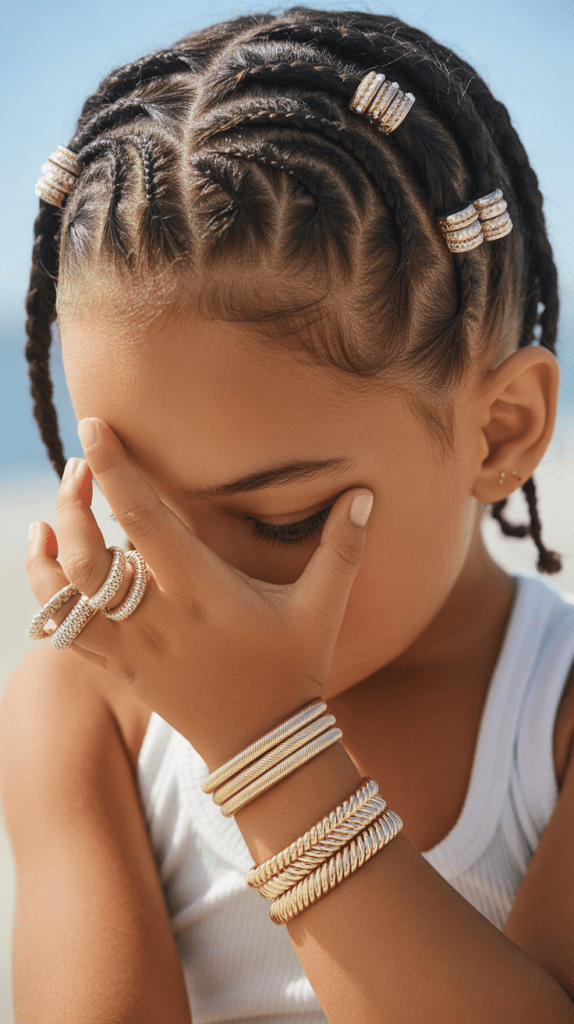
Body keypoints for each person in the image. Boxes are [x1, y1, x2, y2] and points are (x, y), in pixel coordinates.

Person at [1, 6, 574, 1021]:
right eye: (145, 514)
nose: (191, 589)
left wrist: (264, 743)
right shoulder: (87, 710)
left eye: (279, 521)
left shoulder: (552, 717)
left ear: (499, 432)